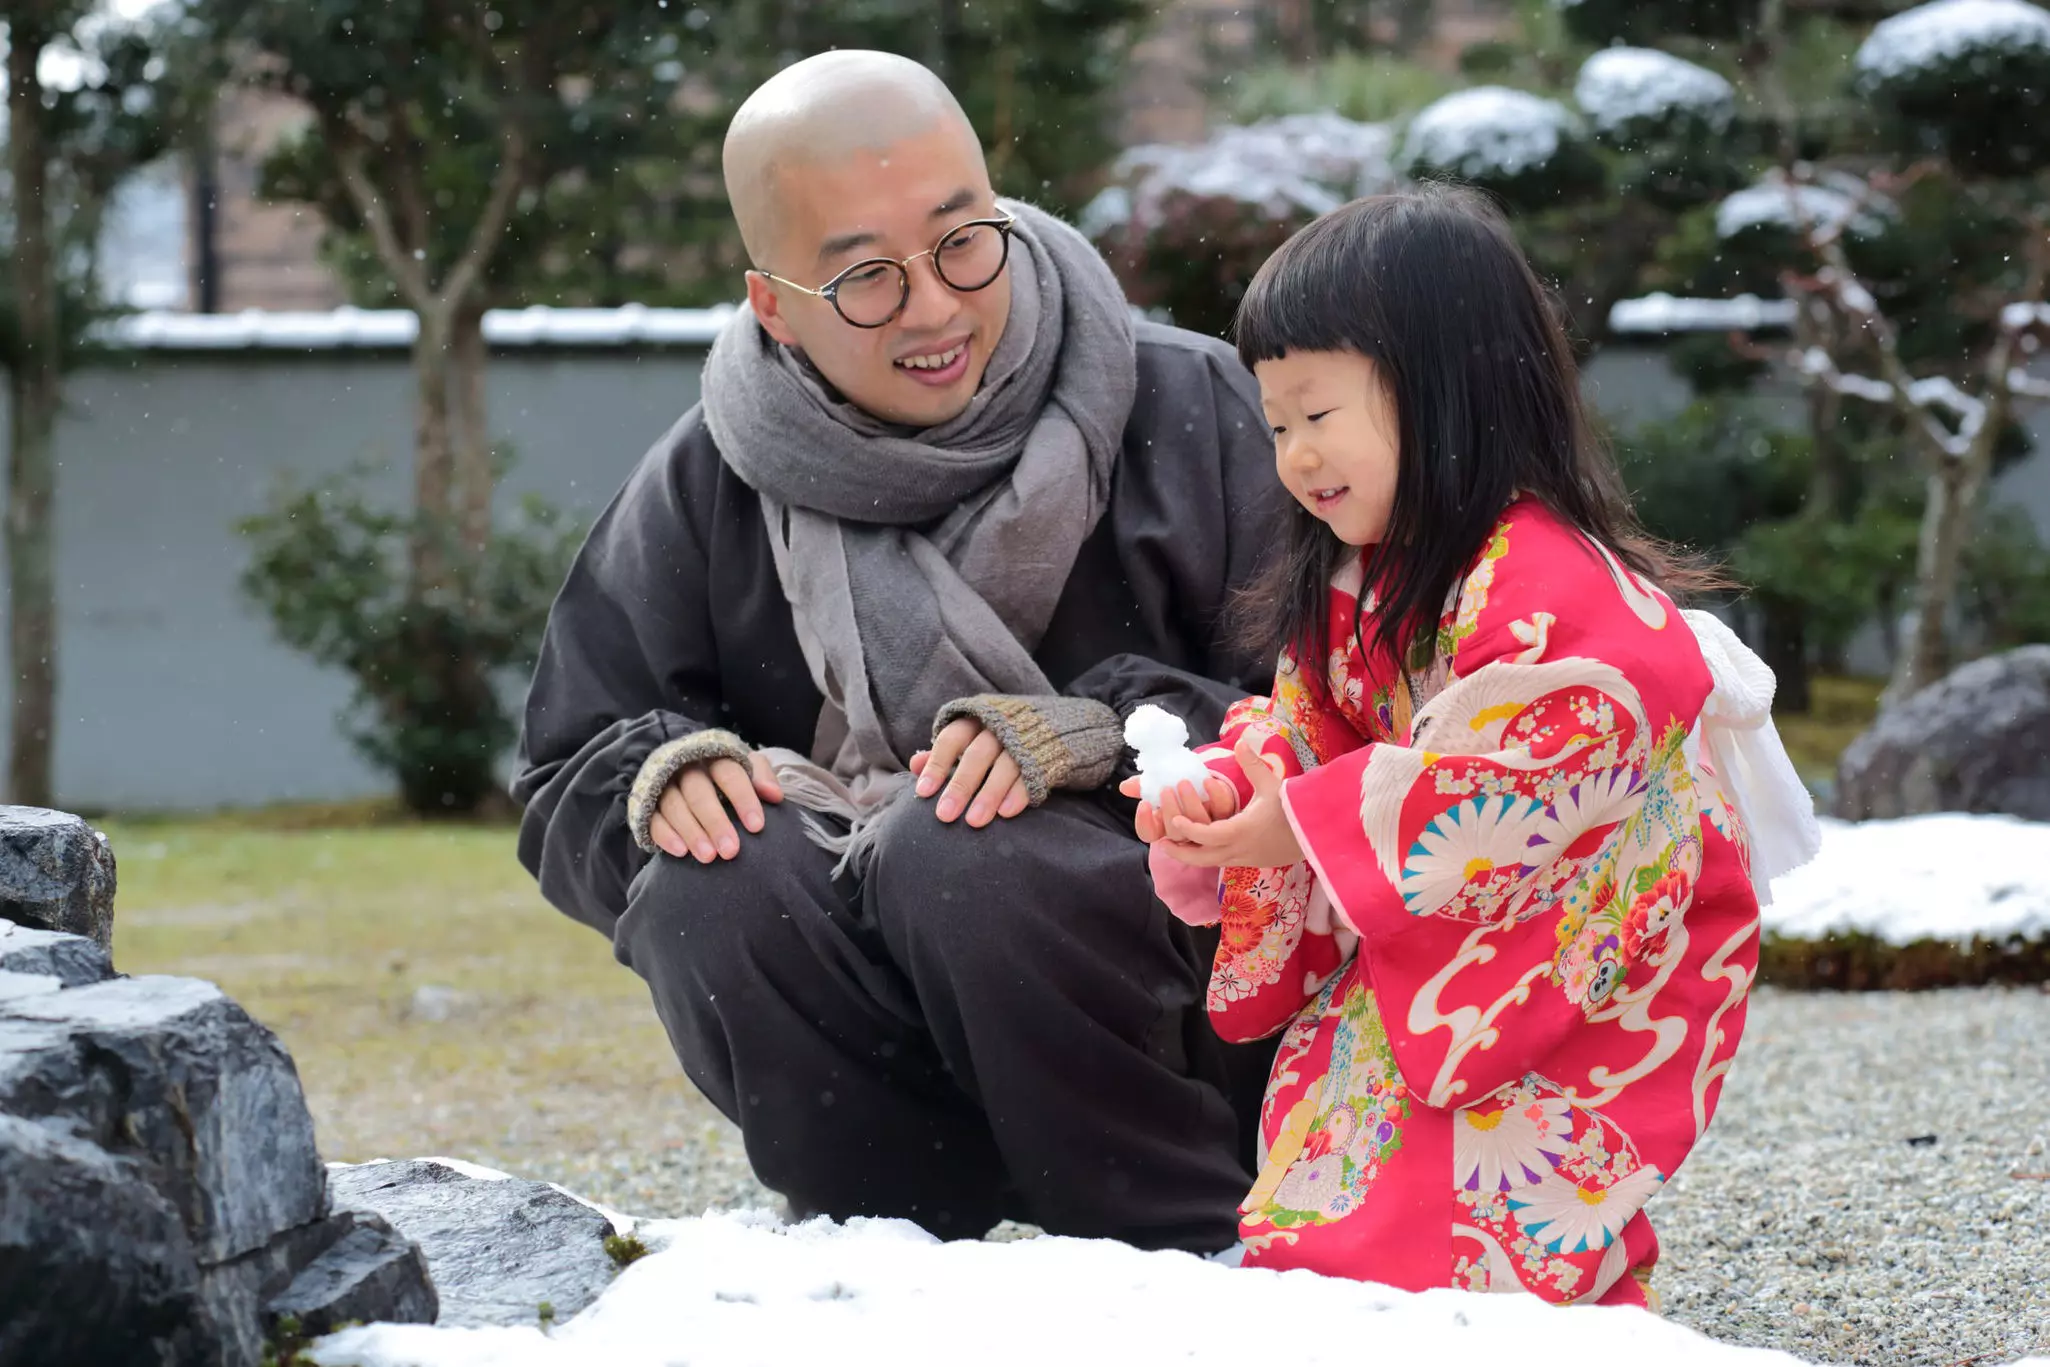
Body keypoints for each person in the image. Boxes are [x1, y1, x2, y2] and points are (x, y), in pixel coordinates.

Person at [510, 49, 1283, 1253]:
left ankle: (1181, 1249)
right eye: (864, 277)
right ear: (773, 303)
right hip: (867, 1035)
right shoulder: (710, 475)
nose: (933, 308)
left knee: (956, 850)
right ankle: (881, 1254)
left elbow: (1353, 717)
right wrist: (666, 774)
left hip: (1177, 1020)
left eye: (963, 241)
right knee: (719, 869)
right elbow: (568, 765)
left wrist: (1114, 734)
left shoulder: (1192, 407)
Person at [1127, 185, 1820, 1304]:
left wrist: (1299, 822)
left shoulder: (1548, 578)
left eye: (1319, 414)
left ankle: (1553, 1307)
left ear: (1446, 391)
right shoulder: (1358, 576)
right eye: (1277, 425)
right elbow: (1306, 721)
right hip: (1441, 930)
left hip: (1581, 922)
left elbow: (1521, 770)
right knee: (1346, 1154)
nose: (1296, 456)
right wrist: (1228, 795)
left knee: (1510, 1159)